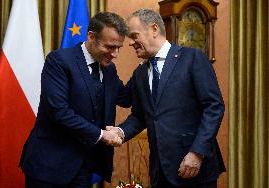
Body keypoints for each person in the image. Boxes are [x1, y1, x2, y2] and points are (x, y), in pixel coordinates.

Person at [115, 8, 225, 188]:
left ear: (154, 29)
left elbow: (214, 107)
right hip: (160, 171)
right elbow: (140, 117)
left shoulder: (192, 58)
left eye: (134, 35)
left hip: (193, 167)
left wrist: (197, 152)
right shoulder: (141, 72)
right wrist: (120, 132)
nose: (131, 43)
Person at [19, 12, 131, 188]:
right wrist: (101, 135)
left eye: (119, 48)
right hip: (49, 165)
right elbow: (59, 111)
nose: (115, 54)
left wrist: (147, 64)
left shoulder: (109, 69)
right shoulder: (59, 61)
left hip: (83, 167)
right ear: (91, 37)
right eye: (110, 47)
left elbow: (125, 98)